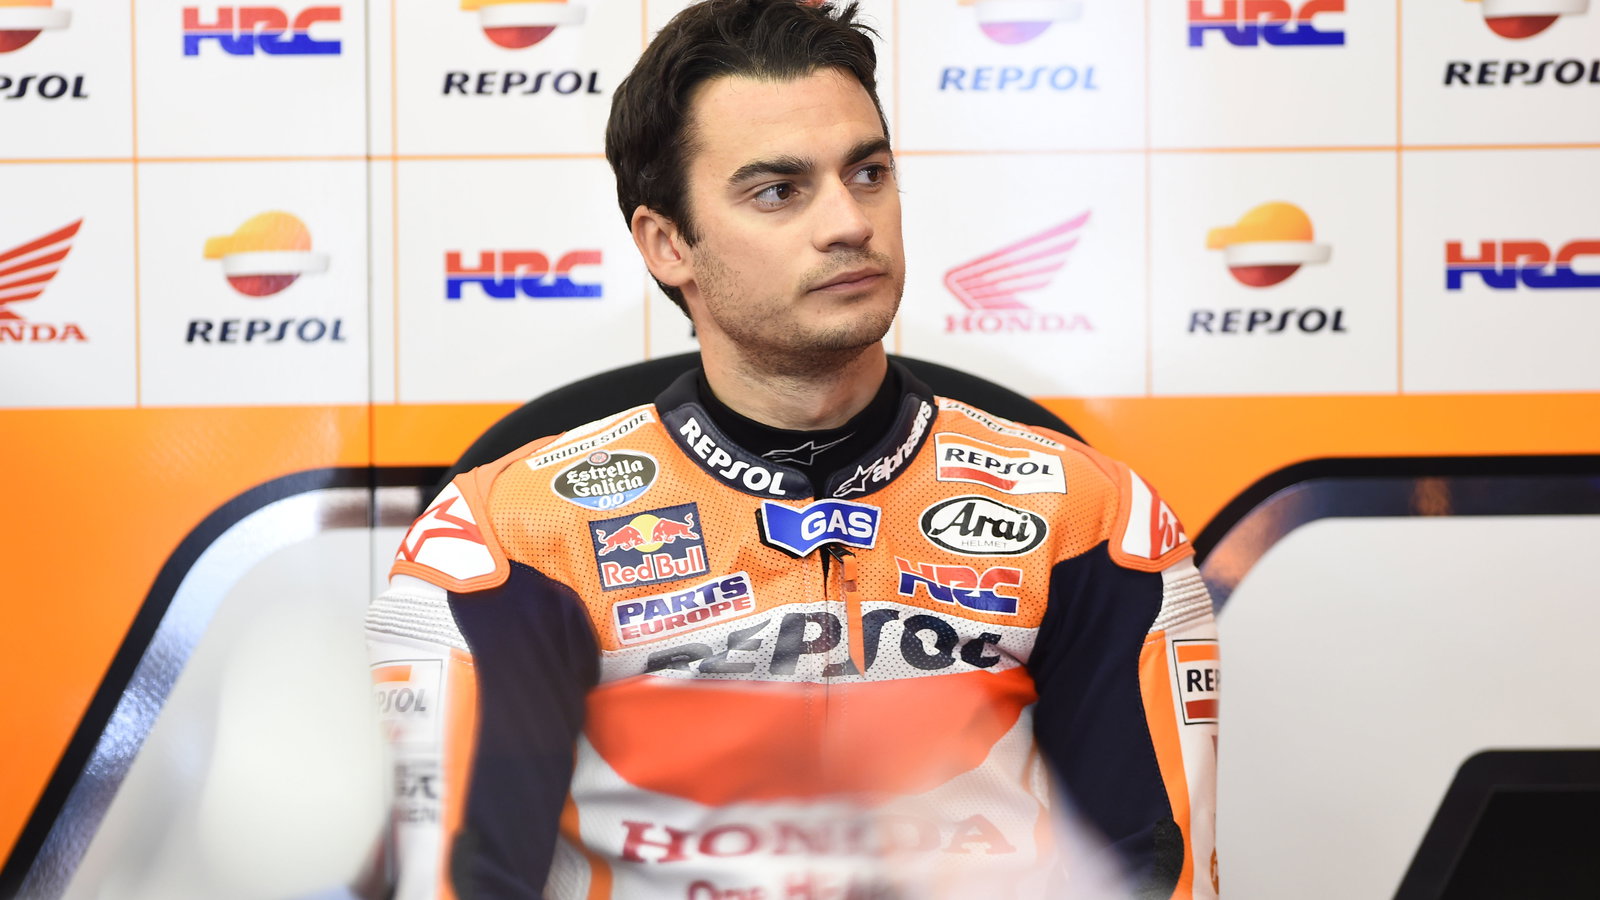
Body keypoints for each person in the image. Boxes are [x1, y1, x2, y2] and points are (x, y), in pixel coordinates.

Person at [366, 1, 1220, 897]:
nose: (848, 222)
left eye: (868, 173)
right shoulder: (507, 536)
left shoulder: (1089, 517)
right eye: (778, 190)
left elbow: (1151, 873)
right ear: (667, 244)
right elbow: (455, 881)